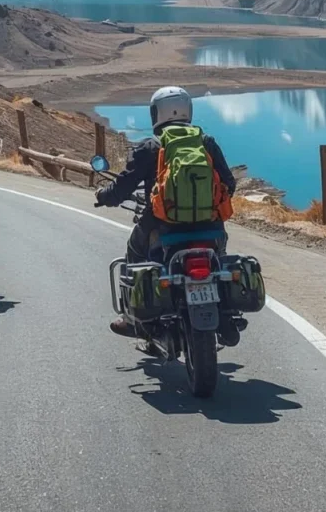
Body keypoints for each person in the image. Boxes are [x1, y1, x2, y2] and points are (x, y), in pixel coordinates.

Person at [95, 86, 239, 339]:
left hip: (161, 226)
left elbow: (122, 188)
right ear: (187, 111)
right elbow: (230, 183)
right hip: (210, 226)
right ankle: (226, 312)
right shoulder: (205, 143)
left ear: (156, 113)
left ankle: (133, 319)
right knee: (220, 256)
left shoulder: (150, 147)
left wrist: (103, 196)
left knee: (134, 253)